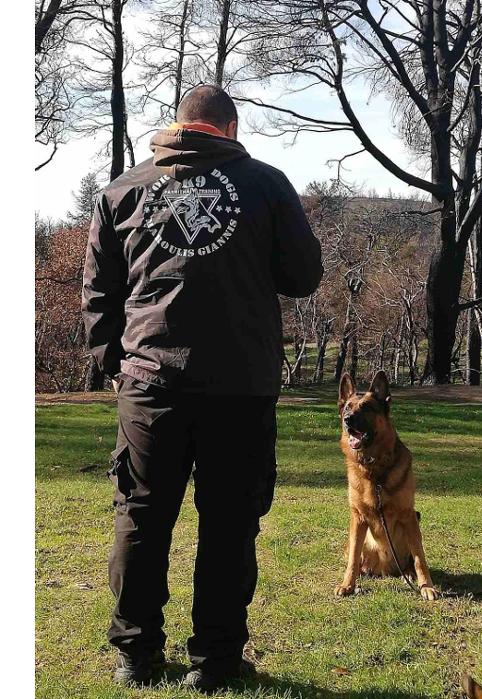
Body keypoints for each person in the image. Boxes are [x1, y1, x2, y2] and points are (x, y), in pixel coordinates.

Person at [81, 84, 323, 690]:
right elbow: (302, 276)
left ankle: (136, 656)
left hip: (149, 382)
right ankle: (215, 663)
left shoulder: (123, 190)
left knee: (141, 517)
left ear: (178, 125)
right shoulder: (266, 185)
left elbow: (99, 293)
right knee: (229, 525)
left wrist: (116, 364)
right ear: (230, 128)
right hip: (240, 385)